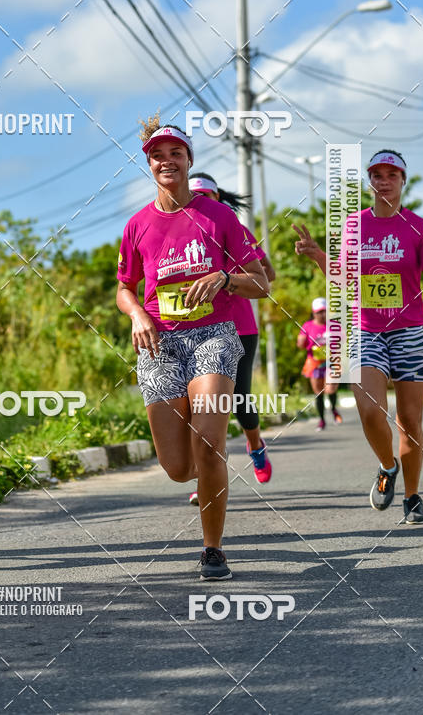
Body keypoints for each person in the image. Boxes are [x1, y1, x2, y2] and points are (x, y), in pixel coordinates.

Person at [116, 121, 269, 580]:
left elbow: (260, 283)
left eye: (175, 152)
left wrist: (225, 278)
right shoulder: (137, 225)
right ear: (149, 165)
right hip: (161, 344)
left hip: (214, 335)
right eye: (157, 154)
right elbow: (124, 288)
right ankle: (202, 481)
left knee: (210, 441)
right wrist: (137, 315)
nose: (167, 160)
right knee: (179, 469)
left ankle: (212, 549)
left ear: (189, 161)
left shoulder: (219, 218)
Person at [294, 150, 423, 523]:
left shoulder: (420, 227)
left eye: (392, 174)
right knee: (371, 410)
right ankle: (388, 467)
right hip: (366, 331)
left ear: (403, 180)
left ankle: (413, 496)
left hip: (410, 332)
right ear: (370, 181)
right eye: (377, 174)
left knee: (409, 419)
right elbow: (340, 278)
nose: (384, 180)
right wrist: (317, 254)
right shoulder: (353, 226)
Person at [186, 172, 275, 505]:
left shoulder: (235, 229)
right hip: (195, 328)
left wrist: (229, 278)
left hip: (239, 326)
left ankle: (255, 443)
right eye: (195, 196)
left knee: (238, 397)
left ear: (218, 199)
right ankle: (205, 476)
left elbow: (267, 277)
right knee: (202, 405)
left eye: (207, 196)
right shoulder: (180, 234)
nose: (201, 203)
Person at [297, 297, 342, 431]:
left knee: (331, 389)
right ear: (313, 313)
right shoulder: (308, 326)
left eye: (324, 311)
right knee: (319, 392)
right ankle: (322, 420)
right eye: (319, 312)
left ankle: (334, 409)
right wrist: (302, 340)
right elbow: (300, 344)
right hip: (315, 363)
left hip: (331, 362)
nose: (322, 314)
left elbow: (343, 340)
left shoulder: (334, 325)